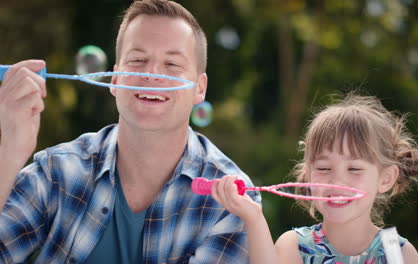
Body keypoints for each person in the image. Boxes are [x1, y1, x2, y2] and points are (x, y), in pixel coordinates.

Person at [0, 0, 260, 263]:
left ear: (199, 89)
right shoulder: (58, 171)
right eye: (137, 60)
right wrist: (9, 151)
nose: (151, 74)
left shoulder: (231, 199)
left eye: (172, 65)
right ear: (114, 79)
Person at [212, 94, 418, 264]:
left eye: (354, 169)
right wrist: (253, 217)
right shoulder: (294, 246)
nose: (337, 182)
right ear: (307, 176)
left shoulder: (398, 252)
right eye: (324, 167)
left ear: (385, 178)